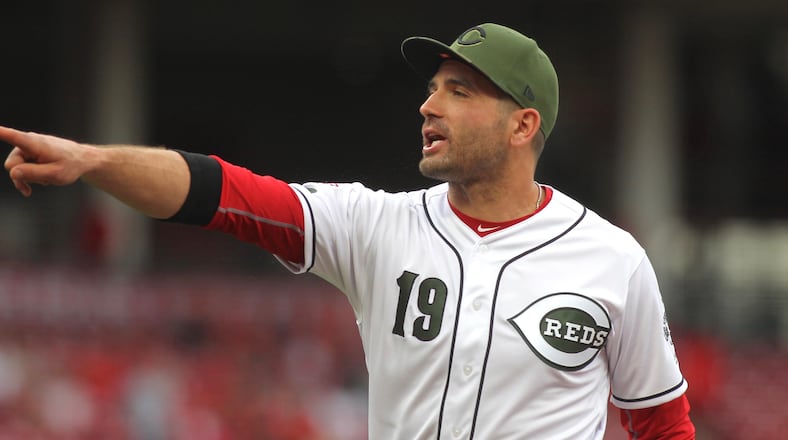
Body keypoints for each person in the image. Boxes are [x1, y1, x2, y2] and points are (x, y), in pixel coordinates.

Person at [2, 23, 694, 439]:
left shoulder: (611, 258)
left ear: (523, 125)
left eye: (461, 90)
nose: (429, 103)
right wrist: (94, 161)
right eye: (433, 87)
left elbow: (662, 423)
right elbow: (219, 192)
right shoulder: (376, 225)